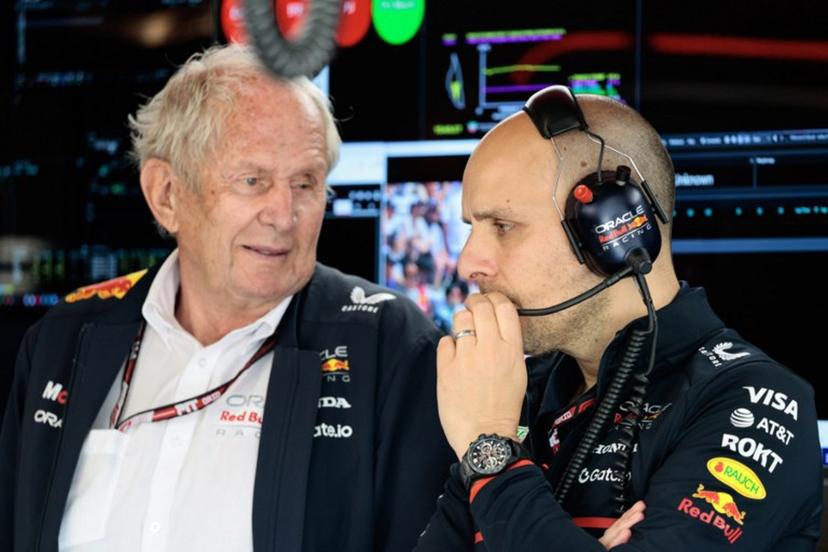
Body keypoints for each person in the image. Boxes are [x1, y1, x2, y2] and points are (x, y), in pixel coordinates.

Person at [0, 43, 455, 552]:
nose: (284, 215)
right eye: (252, 181)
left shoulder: (391, 347)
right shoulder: (64, 339)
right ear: (167, 193)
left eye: (305, 183)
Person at [415, 87, 823, 551]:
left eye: (503, 227)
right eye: (472, 228)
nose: (468, 263)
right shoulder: (518, 392)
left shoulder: (753, 401)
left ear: (614, 228)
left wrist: (492, 451)